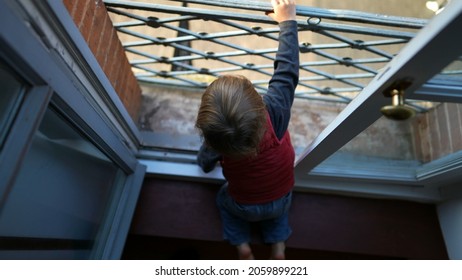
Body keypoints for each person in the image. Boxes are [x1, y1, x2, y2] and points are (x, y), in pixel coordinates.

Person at [195, 0, 299, 260]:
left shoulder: (216, 144)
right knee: (278, 211)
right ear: (257, 100)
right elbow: (287, 71)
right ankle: (278, 245)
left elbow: (205, 165)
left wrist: (206, 159)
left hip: (243, 204)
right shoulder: (275, 112)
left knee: (224, 202)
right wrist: (287, 21)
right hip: (282, 195)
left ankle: (242, 245)